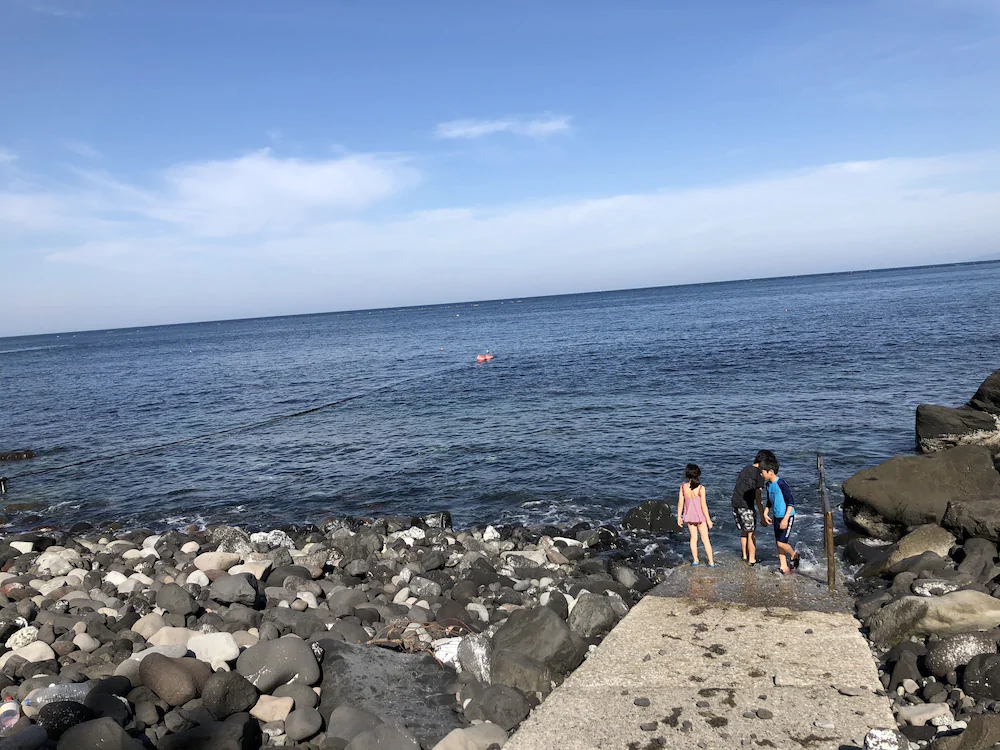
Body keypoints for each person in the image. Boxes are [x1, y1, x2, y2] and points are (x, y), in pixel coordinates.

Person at [760, 455, 801, 574]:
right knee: (778, 542)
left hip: (786, 516)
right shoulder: (768, 485)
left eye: (762, 472)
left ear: (770, 472)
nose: (761, 475)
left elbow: (790, 503)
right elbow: (769, 501)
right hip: (776, 516)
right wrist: (765, 512)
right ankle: (783, 566)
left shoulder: (781, 484)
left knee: (781, 542)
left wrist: (785, 519)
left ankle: (794, 555)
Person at [731, 450, 772, 566]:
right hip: (746, 506)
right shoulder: (759, 474)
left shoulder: (745, 468)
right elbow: (758, 498)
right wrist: (763, 515)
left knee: (744, 530)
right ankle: (752, 560)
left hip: (735, 503)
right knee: (751, 533)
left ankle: (744, 555)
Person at [677, 463, 714, 567]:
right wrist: (709, 520)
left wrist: (679, 517)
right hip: (700, 517)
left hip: (689, 516)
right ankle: (711, 562)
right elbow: (704, 506)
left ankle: (695, 560)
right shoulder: (701, 488)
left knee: (693, 538)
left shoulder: (683, 487)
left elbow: (680, 504)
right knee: (705, 539)